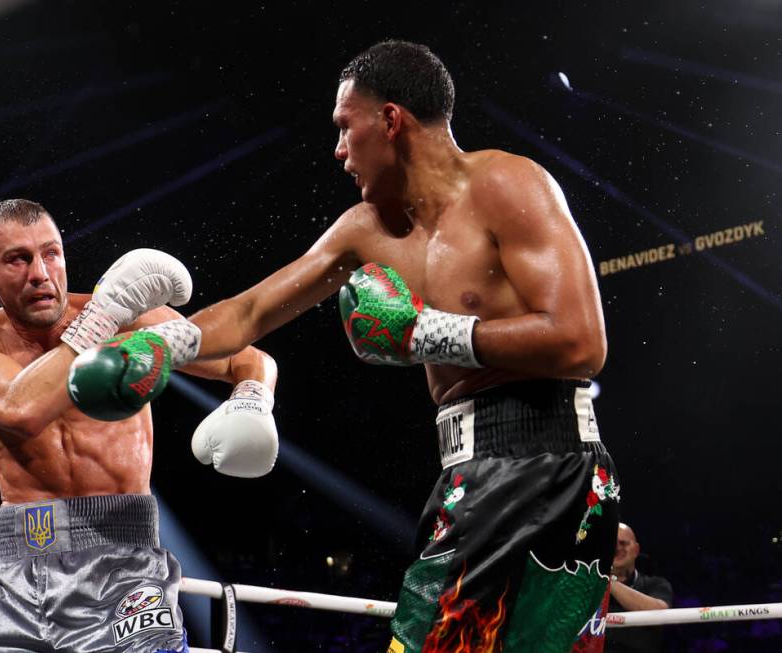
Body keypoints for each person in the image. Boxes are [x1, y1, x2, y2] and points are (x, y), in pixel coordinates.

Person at [71, 40, 620, 652]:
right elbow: (252, 309)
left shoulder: (507, 184)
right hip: (468, 468)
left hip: (546, 461)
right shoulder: (366, 228)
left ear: (390, 120)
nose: (337, 151)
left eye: (344, 127)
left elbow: (580, 343)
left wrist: (421, 333)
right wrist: (166, 342)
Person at [0, 199, 279, 653]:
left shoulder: (131, 319)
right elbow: (19, 409)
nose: (40, 273)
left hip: (126, 568)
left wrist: (252, 399)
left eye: (51, 253)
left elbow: (248, 358)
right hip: (16, 572)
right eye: (18, 259)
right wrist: (103, 319)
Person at [606, 523, 673, 653]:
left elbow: (660, 613)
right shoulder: (590, 589)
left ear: (636, 550)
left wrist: (609, 582)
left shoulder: (655, 584)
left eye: (623, 543)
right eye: (611, 544)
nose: (617, 548)